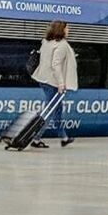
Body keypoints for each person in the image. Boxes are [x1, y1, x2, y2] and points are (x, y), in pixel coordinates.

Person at [29, 20, 78, 148]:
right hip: (53, 82)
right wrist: (61, 83)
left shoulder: (46, 42)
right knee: (50, 111)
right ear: (61, 30)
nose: (69, 31)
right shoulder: (61, 45)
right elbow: (55, 65)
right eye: (67, 28)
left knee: (57, 110)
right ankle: (36, 138)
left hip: (43, 79)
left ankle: (63, 137)